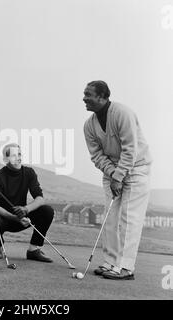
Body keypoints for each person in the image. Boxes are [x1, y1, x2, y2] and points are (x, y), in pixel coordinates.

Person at [83, 80, 152, 280]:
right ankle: (111, 262)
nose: (84, 98)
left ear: (103, 97)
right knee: (110, 218)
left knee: (129, 219)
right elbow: (96, 156)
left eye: (88, 94)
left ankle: (126, 267)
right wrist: (114, 174)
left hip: (138, 168)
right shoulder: (89, 125)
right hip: (112, 171)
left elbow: (131, 148)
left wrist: (119, 176)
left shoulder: (123, 113)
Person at [0, 143, 54, 263]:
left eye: (19, 154)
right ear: (6, 159)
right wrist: (14, 217)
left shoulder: (29, 172)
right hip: (5, 219)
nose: (18, 158)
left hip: (23, 218)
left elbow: (40, 198)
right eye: (13, 155)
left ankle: (33, 250)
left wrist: (26, 209)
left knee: (47, 210)